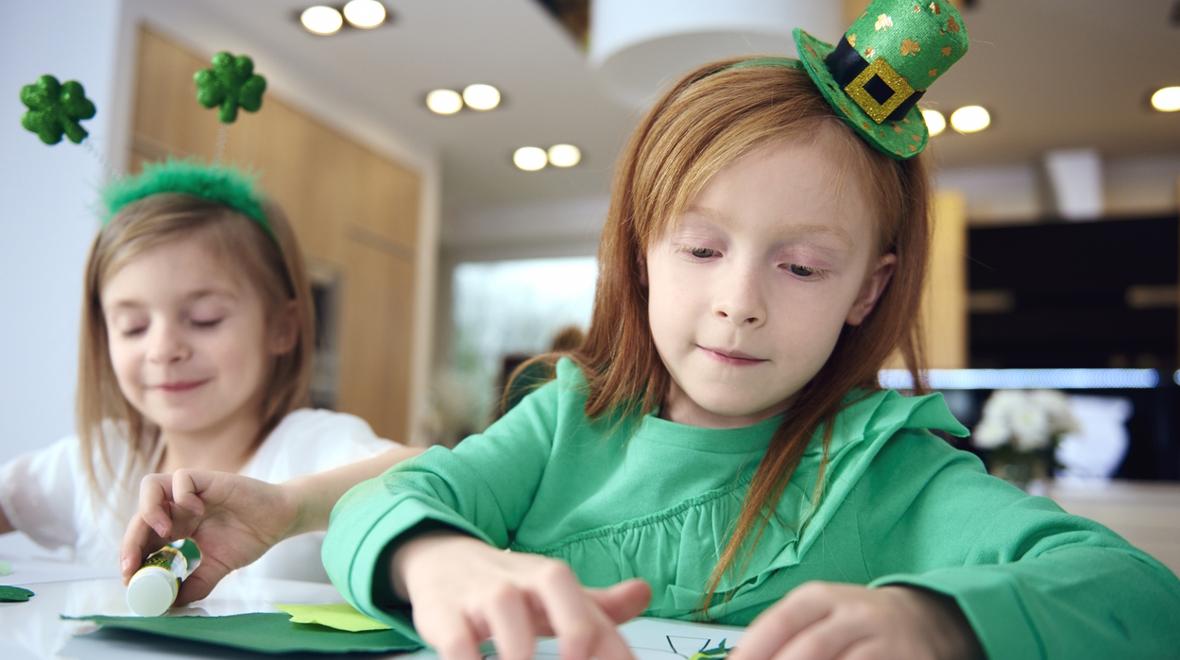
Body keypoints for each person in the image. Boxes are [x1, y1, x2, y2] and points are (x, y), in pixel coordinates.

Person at [318, 1, 1180, 658]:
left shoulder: (891, 474)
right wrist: (433, 558)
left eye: (800, 267)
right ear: (643, 254)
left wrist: (937, 621)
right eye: (701, 249)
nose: (739, 302)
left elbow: (1143, 597)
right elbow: (380, 504)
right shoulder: (564, 422)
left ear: (867, 291)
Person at [0, 160, 419, 589]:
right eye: (133, 327)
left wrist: (290, 505)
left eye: (205, 318)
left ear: (281, 328)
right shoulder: (99, 462)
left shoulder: (308, 448)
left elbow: (427, 473)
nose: (163, 350)